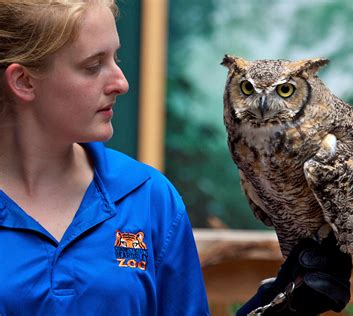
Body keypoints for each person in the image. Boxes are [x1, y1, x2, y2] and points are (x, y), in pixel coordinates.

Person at [0, 1, 209, 315]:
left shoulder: (147, 196)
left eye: (116, 57)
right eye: (93, 66)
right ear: (24, 81)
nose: (121, 83)